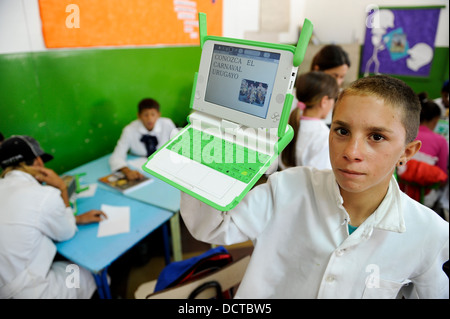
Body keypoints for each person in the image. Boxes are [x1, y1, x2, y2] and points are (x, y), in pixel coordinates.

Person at [179, 75, 449, 299]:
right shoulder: (288, 188)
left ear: (407, 151)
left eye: (376, 136)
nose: (352, 151)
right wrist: (206, 153)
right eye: (341, 131)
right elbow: (211, 227)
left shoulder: (430, 234)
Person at [0, 135, 106, 299]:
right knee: (84, 271)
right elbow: (67, 232)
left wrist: (77, 218)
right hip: (32, 291)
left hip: (6, 285)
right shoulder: (44, 196)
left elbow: (29, 220)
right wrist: (62, 188)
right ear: (38, 162)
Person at [280, 71, 339, 170]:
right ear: (324, 101)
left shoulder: (289, 124)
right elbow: (320, 176)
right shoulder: (324, 136)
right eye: (334, 99)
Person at [109, 98, 176, 181]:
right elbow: (116, 156)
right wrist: (128, 171)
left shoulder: (167, 124)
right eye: (145, 115)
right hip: (141, 170)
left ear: (159, 115)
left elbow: (178, 147)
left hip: (165, 168)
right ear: (139, 116)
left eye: (153, 114)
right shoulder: (129, 130)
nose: (149, 119)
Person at [415, 93, 448, 174]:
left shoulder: (406, 133)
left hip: (398, 184)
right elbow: (442, 174)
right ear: (436, 119)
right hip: (427, 185)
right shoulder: (441, 141)